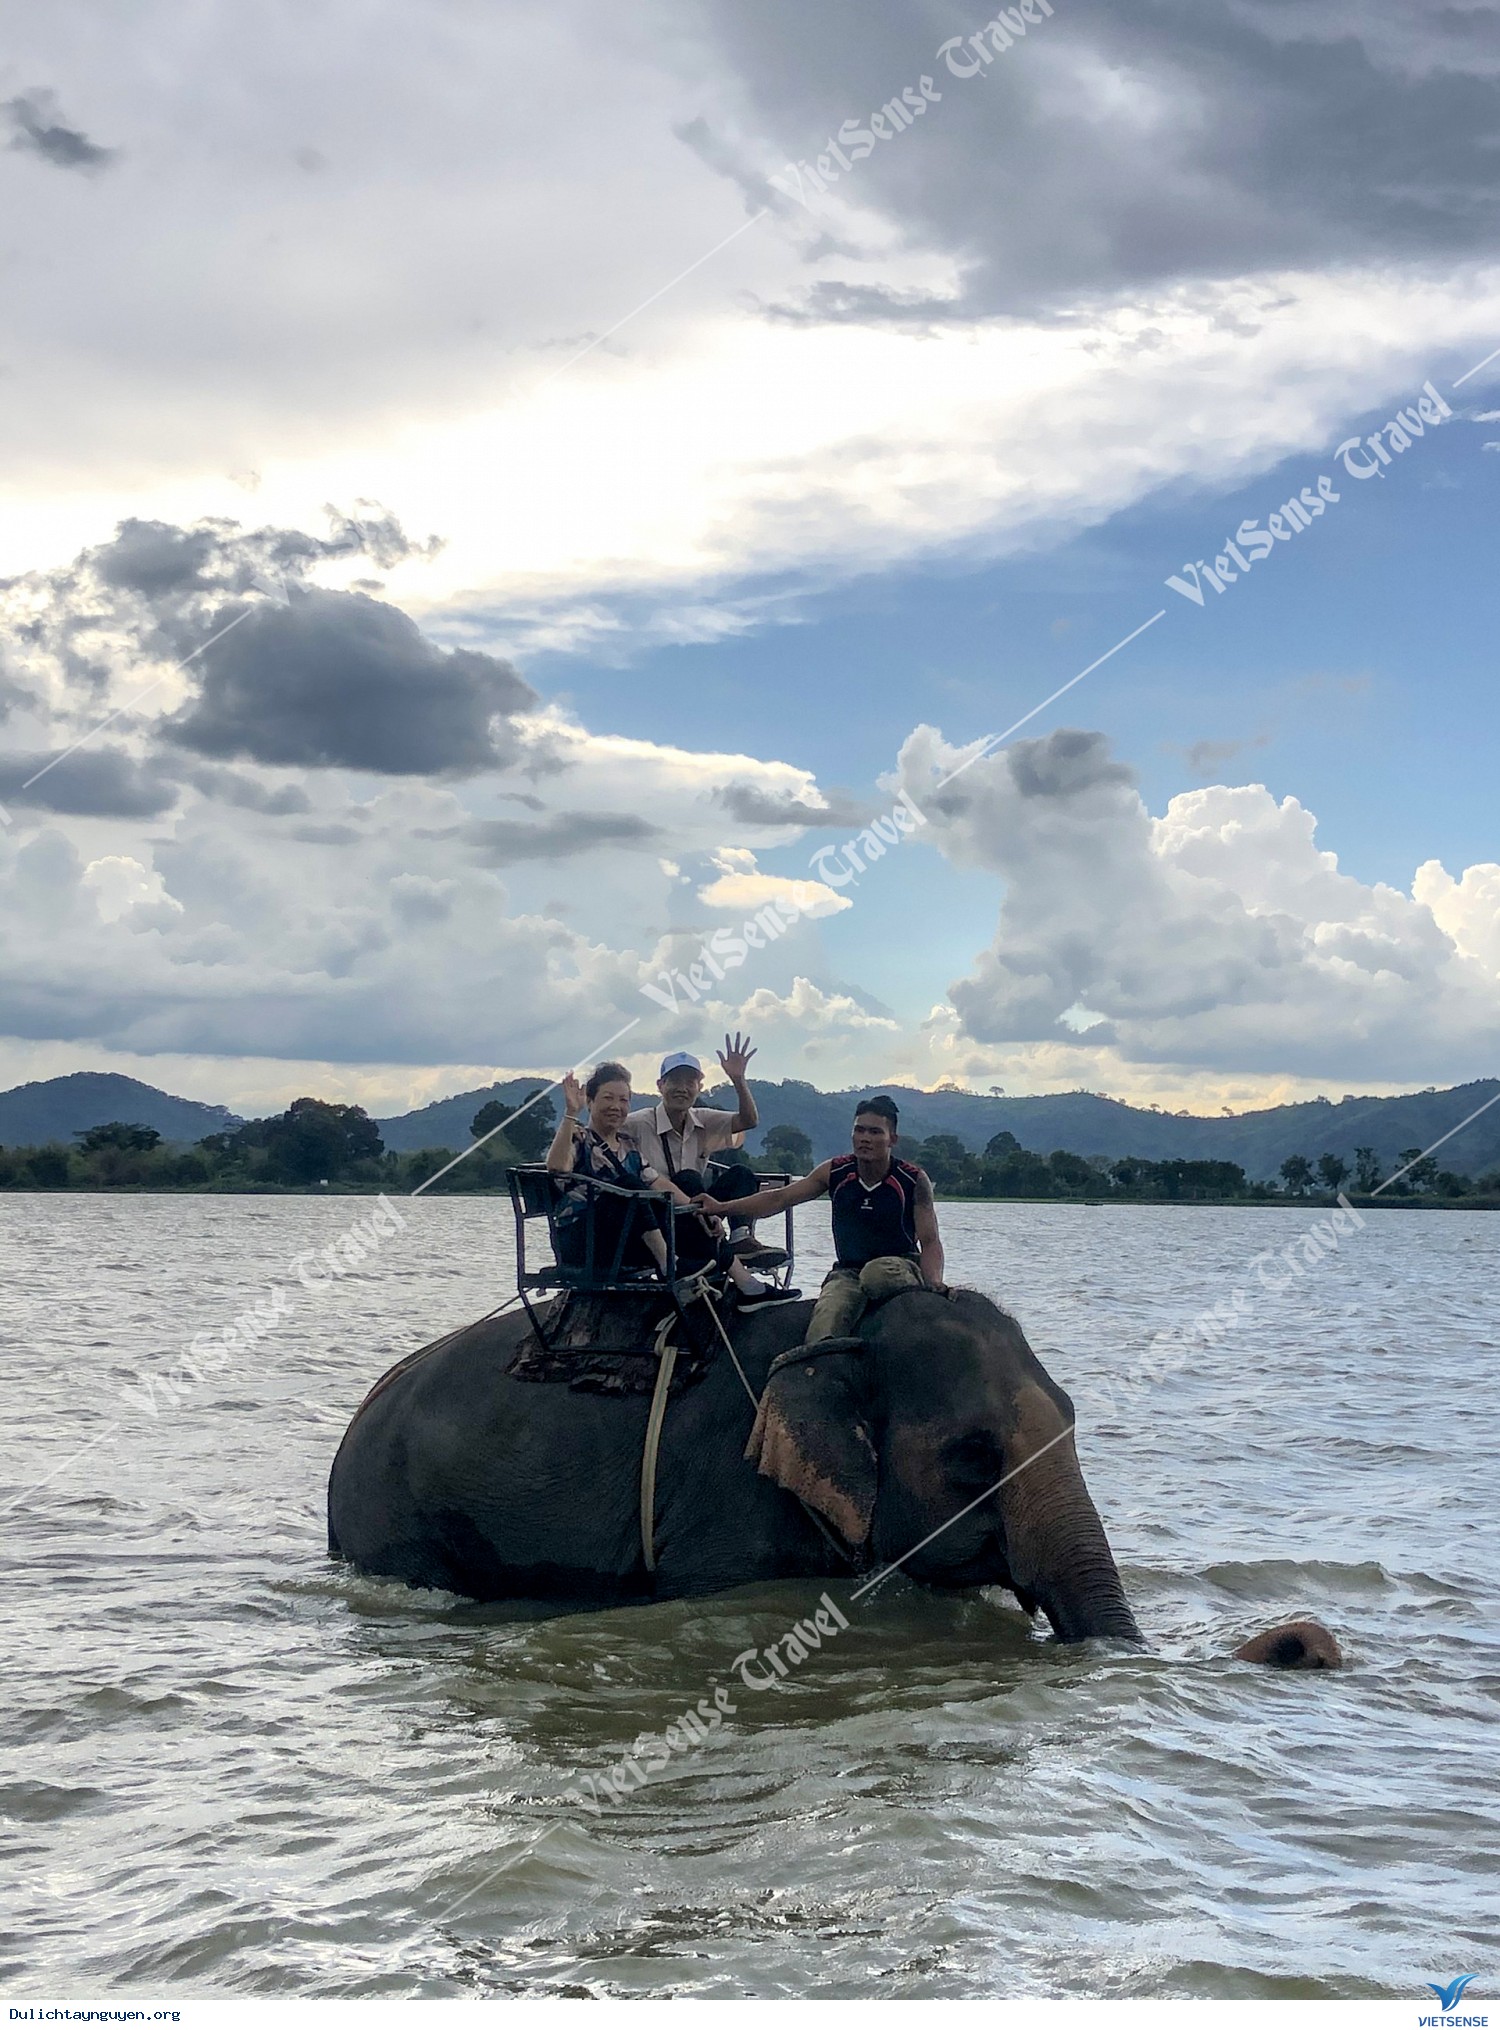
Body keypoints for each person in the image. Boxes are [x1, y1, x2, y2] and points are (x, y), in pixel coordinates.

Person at [695, 1094, 944, 1337]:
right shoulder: (836, 1171)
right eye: (860, 1130)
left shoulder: (912, 1179)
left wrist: (934, 1283)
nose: (865, 1138)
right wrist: (720, 1207)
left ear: (892, 1139)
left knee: (876, 1274)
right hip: (849, 1272)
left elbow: (930, 1240)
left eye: (875, 1132)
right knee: (823, 1326)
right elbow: (779, 1198)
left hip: (899, 1265)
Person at [546, 1061, 787, 1304]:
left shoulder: (628, 1146)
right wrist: (570, 1114)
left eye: (623, 1100)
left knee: (690, 1201)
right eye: (608, 1098)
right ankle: (670, 1265)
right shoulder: (579, 1139)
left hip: (626, 1239)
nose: (616, 1107)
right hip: (586, 1242)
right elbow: (557, 1167)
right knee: (631, 1185)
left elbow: (658, 1182)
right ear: (590, 1101)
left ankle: (747, 1284)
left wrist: (704, 1210)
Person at [625, 1035, 763, 1249]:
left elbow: (749, 1121)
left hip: (699, 1210)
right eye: (675, 1081)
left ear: (699, 1087)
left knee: (741, 1174)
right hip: (658, 1213)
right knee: (688, 1178)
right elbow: (602, 1132)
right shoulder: (638, 1123)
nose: (682, 1088)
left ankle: (741, 1238)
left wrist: (738, 1079)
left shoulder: (703, 1119)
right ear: (660, 1086)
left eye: (689, 1082)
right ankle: (719, 1252)